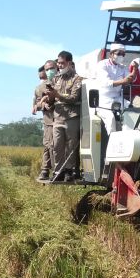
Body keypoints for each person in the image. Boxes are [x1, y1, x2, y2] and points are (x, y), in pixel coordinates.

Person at [45, 50, 84, 182]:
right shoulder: (55, 78)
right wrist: (49, 97)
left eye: (62, 63)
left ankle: (69, 171)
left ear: (69, 63)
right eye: (58, 63)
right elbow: (52, 100)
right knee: (57, 146)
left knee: (71, 146)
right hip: (58, 116)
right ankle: (58, 171)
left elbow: (74, 97)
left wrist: (57, 95)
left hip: (72, 116)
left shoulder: (77, 79)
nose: (59, 65)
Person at [96, 43, 131, 133]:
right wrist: (123, 81)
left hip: (118, 99)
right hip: (103, 101)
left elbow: (130, 79)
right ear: (111, 54)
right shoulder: (102, 65)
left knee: (131, 114)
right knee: (110, 118)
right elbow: (106, 83)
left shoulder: (123, 67)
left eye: (123, 54)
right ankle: (113, 143)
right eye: (119, 54)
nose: (121, 56)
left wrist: (134, 70)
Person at [32, 60, 56, 181]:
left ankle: (57, 170)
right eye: (47, 69)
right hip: (48, 121)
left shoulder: (60, 82)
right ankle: (45, 169)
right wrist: (43, 106)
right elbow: (35, 106)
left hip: (61, 119)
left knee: (57, 146)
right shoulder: (39, 88)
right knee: (48, 145)